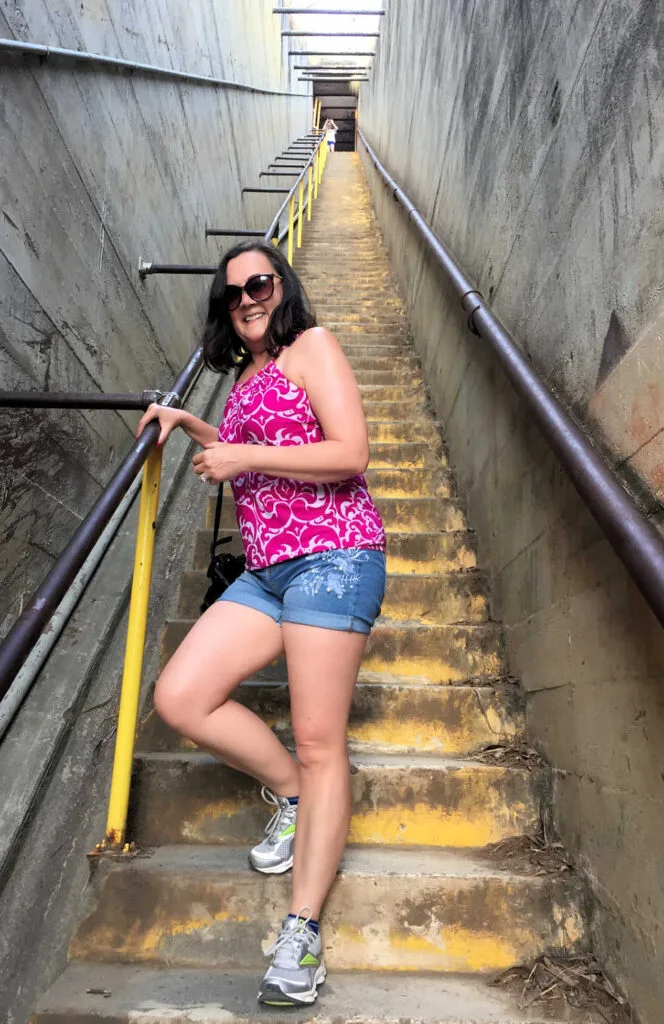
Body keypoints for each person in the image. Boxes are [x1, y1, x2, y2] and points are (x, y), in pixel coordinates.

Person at [136, 240, 386, 1007]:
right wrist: (195, 425)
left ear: (283, 286)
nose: (247, 296)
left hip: (332, 556)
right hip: (266, 570)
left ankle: (301, 936)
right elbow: (256, 454)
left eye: (260, 282)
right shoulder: (244, 379)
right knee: (181, 697)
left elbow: (348, 453)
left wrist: (241, 455)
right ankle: (290, 794)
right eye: (233, 291)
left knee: (319, 742)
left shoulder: (312, 345)